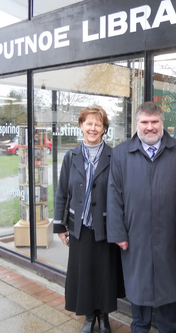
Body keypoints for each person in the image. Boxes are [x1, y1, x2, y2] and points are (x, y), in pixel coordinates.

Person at [107, 101, 176, 333]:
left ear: (163, 124)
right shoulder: (122, 153)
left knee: (169, 287)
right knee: (139, 287)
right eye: (145, 122)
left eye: (155, 122)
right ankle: (140, 327)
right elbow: (113, 195)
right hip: (135, 236)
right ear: (137, 124)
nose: (150, 127)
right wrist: (118, 233)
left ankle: (169, 328)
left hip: (170, 237)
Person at [53, 106, 125, 333]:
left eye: (98, 124)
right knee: (84, 274)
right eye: (89, 123)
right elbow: (62, 192)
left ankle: (103, 317)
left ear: (104, 129)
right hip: (80, 228)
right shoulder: (71, 156)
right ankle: (88, 317)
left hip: (105, 227)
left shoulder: (115, 157)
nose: (93, 128)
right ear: (81, 125)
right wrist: (59, 225)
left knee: (104, 274)